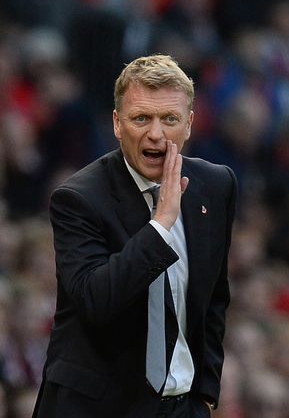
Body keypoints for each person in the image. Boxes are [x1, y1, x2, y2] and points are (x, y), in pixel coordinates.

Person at [32, 55, 237, 418]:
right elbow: (97, 300)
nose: (155, 134)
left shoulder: (216, 186)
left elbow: (215, 299)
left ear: (189, 124)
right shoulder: (78, 198)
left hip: (182, 407)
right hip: (97, 409)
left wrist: (205, 395)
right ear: (117, 123)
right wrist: (161, 225)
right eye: (141, 118)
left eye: (169, 119)